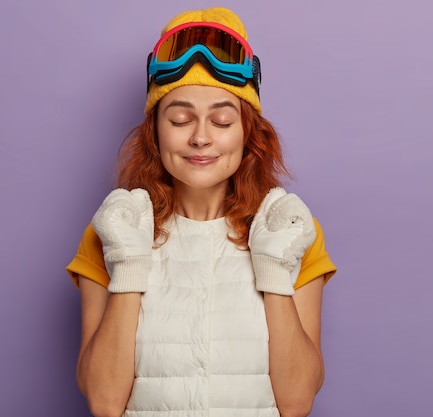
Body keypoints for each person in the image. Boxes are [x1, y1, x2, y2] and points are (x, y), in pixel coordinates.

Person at [66, 7, 336, 417]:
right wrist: (130, 263)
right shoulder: (113, 229)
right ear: (155, 130)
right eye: (180, 119)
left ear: (249, 134)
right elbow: (104, 403)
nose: (201, 138)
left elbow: (296, 403)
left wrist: (275, 270)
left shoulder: (292, 229)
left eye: (223, 121)